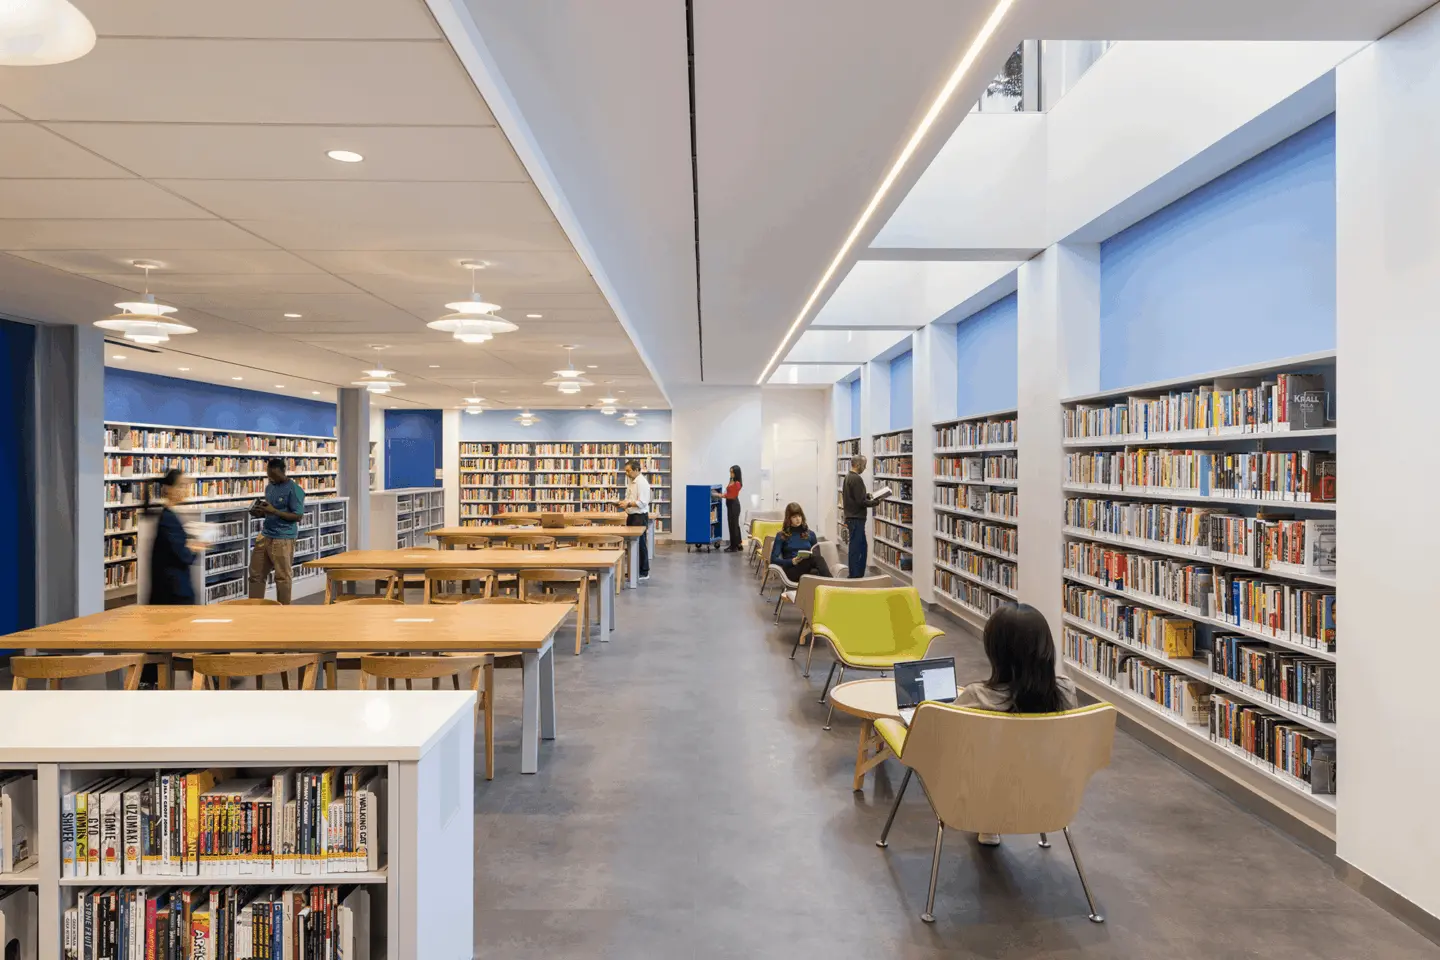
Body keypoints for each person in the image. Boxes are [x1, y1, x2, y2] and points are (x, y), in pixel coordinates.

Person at [955, 602, 1079, 845]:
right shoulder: (1065, 690)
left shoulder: (977, 696)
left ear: (995, 651)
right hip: (1049, 797)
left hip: (984, 796)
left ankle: (990, 820)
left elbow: (946, 741)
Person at [247, 457, 306, 604]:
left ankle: (283, 610)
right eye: (269, 476)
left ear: (283, 471)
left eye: (274, 475)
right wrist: (261, 512)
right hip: (265, 535)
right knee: (255, 574)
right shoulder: (270, 487)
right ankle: (254, 608)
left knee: (282, 577)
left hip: (283, 537)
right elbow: (270, 511)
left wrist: (274, 511)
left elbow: (298, 516)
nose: (272, 479)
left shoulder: (295, 490)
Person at [145, 467, 207, 605]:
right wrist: (195, 547)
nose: (185, 490)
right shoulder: (168, 519)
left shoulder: (168, 515)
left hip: (171, 588)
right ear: (169, 489)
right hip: (174, 591)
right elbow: (184, 555)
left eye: (186, 486)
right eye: (181, 486)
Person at [841, 454, 888, 578]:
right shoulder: (856, 479)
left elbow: (855, 496)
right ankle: (855, 575)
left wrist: (866, 496)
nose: (865, 468)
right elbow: (861, 502)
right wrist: (876, 501)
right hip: (856, 518)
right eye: (864, 465)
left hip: (852, 517)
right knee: (857, 548)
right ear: (858, 465)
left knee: (860, 546)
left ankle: (856, 574)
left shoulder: (848, 477)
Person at [768, 502, 832, 579]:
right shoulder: (781, 535)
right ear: (789, 519)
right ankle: (832, 583)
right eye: (794, 517)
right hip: (792, 570)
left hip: (808, 567)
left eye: (799, 516)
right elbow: (773, 560)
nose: (798, 519)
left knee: (818, 560)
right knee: (817, 562)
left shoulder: (810, 534)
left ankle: (830, 583)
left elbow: (816, 555)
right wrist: (792, 561)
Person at [619, 459, 652, 581]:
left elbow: (642, 502)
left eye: (629, 471)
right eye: (626, 471)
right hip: (632, 516)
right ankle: (633, 571)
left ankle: (643, 572)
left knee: (640, 544)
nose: (627, 473)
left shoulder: (642, 483)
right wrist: (623, 503)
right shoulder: (631, 482)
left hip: (639, 517)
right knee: (632, 546)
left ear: (637, 470)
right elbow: (630, 497)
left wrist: (628, 504)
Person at [721, 465, 743, 551]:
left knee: (733, 526)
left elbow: (731, 496)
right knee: (735, 525)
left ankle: (733, 547)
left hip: (734, 506)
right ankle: (738, 545)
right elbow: (729, 491)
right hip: (731, 505)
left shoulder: (737, 483)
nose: (731, 474)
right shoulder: (732, 481)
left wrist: (720, 495)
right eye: (730, 472)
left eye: (732, 472)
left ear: (736, 473)